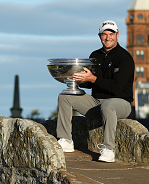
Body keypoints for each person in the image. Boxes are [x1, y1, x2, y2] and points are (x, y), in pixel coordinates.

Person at [56, 20, 134, 162]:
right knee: (65, 96)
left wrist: (93, 79)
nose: (107, 37)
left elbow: (116, 88)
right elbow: (90, 83)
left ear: (117, 35)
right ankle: (66, 140)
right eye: (104, 34)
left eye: (111, 34)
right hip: (96, 103)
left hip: (121, 104)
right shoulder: (95, 55)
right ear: (99, 36)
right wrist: (77, 79)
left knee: (108, 106)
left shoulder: (125, 58)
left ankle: (109, 149)